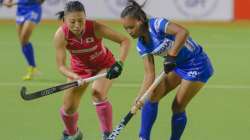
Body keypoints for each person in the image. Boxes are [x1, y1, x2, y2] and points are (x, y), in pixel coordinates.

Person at [120, 1, 214, 140]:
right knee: (151, 95)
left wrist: (172, 55)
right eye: (126, 28)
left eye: (131, 27)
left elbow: (183, 32)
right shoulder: (141, 45)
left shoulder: (157, 25)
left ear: (140, 21)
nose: (129, 32)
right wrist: (140, 96)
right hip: (178, 65)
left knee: (177, 107)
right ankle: (143, 138)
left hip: (197, 64)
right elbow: (149, 74)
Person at [53, 1, 131, 140]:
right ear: (65, 20)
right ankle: (72, 134)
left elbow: (124, 40)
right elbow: (61, 66)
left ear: (85, 18)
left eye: (81, 20)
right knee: (68, 108)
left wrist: (120, 63)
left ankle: (108, 135)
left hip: (104, 65)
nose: (77, 25)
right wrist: (74, 76)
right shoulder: (61, 35)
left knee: (97, 93)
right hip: (79, 71)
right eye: (72, 22)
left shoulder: (95, 27)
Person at [4, 0, 44, 80]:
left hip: (33, 9)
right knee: (22, 42)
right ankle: (33, 67)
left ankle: (32, 68)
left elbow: (41, 1)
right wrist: (8, 1)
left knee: (24, 38)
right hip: (21, 10)